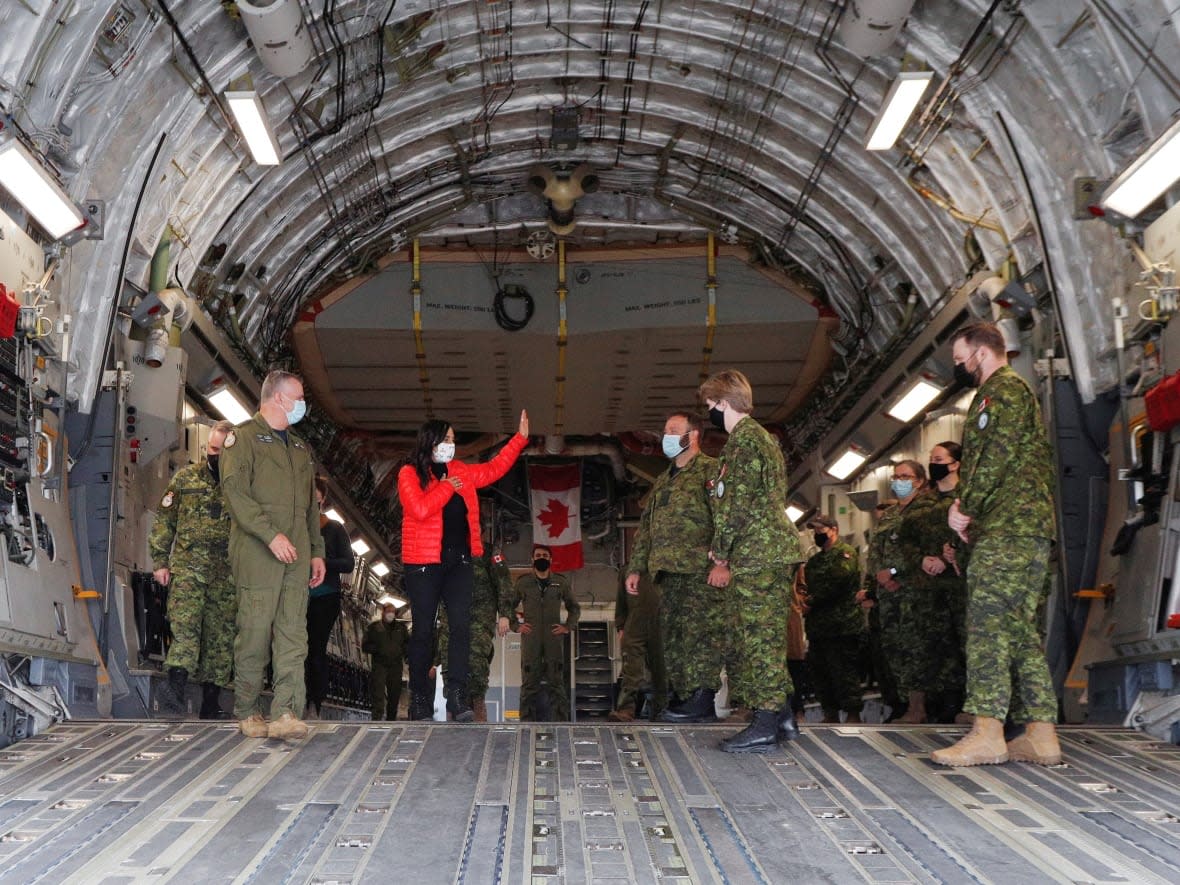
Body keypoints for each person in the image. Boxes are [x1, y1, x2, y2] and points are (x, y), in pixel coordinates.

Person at [935, 321, 1060, 766]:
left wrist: (964, 506)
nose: (959, 367)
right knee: (1020, 631)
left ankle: (987, 731)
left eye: (959, 359)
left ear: (982, 353)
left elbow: (993, 458)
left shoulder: (998, 393)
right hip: (1023, 529)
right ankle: (1041, 734)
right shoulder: (1017, 391)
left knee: (986, 625)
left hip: (1008, 529)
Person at [398, 411, 529, 722]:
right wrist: (446, 487)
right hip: (424, 564)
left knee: (461, 628)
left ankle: (456, 695)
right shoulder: (409, 473)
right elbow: (418, 509)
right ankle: (419, 697)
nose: (451, 445)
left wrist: (519, 440)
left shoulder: (461, 471)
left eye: (454, 440)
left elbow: (494, 469)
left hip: (460, 562)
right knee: (424, 632)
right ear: (430, 441)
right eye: (446, 439)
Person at [699, 369, 805, 752]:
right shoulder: (764, 439)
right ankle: (784, 715)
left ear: (724, 403)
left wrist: (721, 554)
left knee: (758, 639)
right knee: (770, 636)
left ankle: (764, 723)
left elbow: (734, 504)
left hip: (758, 554)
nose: (710, 412)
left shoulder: (743, 442)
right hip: (772, 550)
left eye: (711, 405)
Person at [220, 370, 326, 740]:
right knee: (254, 629)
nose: (302, 404)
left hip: (296, 552)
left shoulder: (299, 450)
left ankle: (285, 711)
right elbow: (236, 495)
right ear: (278, 398)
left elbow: (310, 509)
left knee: (293, 633)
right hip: (257, 550)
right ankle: (248, 710)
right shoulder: (243, 439)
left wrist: (317, 551)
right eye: (298, 396)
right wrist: (270, 535)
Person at [623, 411, 721, 724]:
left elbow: (726, 519)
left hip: (698, 570)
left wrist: (723, 560)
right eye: (664, 430)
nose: (665, 436)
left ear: (692, 435)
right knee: (674, 639)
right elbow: (647, 528)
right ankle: (684, 695)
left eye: (672, 430)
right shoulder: (664, 479)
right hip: (666, 573)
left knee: (699, 636)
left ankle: (701, 698)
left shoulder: (711, 471)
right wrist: (636, 568)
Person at [149, 420, 236, 719]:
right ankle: (173, 696)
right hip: (189, 569)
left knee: (220, 638)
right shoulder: (186, 479)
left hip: (226, 573)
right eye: (210, 449)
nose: (213, 455)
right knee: (185, 630)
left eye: (219, 451)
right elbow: (164, 521)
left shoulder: (241, 486)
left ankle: (211, 705)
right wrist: (160, 561)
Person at [866, 460, 932, 723]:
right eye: (895, 476)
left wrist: (894, 573)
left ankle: (920, 706)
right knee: (895, 649)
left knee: (917, 648)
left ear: (919, 481)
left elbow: (924, 549)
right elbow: (875, 553)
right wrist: (878, 580)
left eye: (905, 476)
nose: (899, 481)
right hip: (888, 595)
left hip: (915, 591)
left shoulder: (926, 511)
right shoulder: (891, 514)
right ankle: (904, 703)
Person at [913, 441, 969, 722]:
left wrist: (949, 558)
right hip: (931, 589)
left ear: (955, 463)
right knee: (937, 646)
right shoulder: (924, 502)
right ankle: (944, 707)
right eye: (931, 458)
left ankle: (970, 706)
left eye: (939, 458)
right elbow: (907, 540)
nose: (933, 463)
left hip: (963, 586)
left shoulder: (967, 497)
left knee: (967, 643)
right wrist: (921, 559)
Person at [436, 546, 514, 721]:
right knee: (450, 669)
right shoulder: (448, 550)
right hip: (452, 619)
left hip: (479, 621)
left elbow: (504, 583)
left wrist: (504, 614)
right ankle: (452, 722)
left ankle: (479, 724)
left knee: (476, 670)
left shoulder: (489, 553)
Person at [801, 515, 864, 723]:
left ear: (834, 529)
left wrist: (811, 601)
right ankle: (830, 712)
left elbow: (839, 581)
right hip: (819, 627)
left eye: (821, 530)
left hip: (842, 625)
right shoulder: (815, 561)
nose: (818, 534)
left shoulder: (845, 554)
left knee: (844, 670)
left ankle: (853, 712)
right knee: (821, 672)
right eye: (815, 531)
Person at [513, 545, 580, 721]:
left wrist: (567, 627)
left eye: (544, 555)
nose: (541, 558)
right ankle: (526, 721)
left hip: (553, 638)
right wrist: (516, 626)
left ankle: (562, 721)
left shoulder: (561, 582)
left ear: (550, 560)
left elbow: (574, 608)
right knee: (529, 683)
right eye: (537, 555)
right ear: (532, 560)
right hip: (531, 638)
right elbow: (507, 605)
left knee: (556, 682)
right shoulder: (523, 583)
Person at [305, 476, 353, 719]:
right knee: (294, 647)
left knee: (316, 648)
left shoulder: (334, 529)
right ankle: (296, 697)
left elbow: (348, 563)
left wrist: (324, 562)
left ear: (322, 499)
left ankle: (314, 701)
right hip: (298, 595)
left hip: (325, 596)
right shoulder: (293, 527)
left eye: (315, 497)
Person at [608, 572, 666, 722]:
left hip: (661, 625)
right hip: (635, 624)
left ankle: (661, 711)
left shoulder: (664, 568)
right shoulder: (628, 571)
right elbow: (621, 602)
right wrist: (621, 627)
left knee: (662, 670)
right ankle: (626, 709)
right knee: (631, 670)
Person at [363, 602, 409, 720]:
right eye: (388, 611)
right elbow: (365, 646)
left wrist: (405, 655)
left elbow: (407, 645)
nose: (390, 614)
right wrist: (378, 649)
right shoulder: (374, 628)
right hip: (380, 665)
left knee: (394, 693)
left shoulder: (401, 629)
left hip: (396, 665)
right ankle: (377, 717)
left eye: (393, 612)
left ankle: (391, 719)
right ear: (383, 612)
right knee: (378, 691)